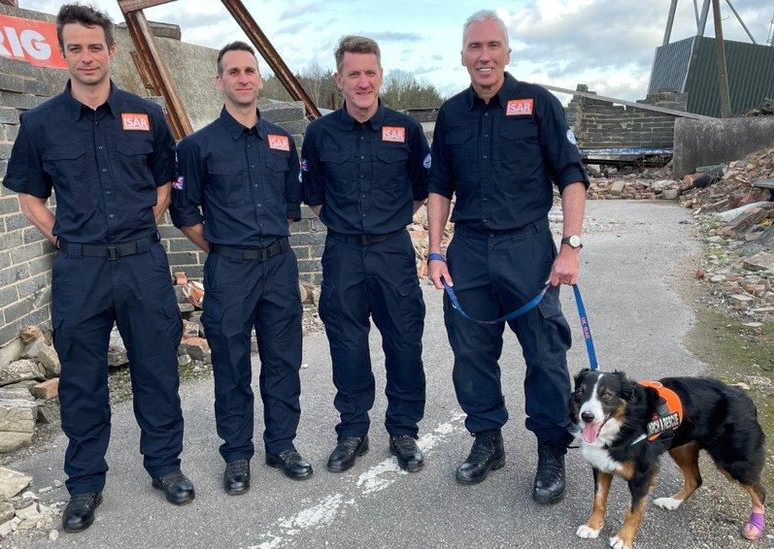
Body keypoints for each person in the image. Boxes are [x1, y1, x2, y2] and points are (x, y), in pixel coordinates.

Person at [2, 4, 194, 533]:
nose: (86, 57)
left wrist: (139, 225)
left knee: (156, 369)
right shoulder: (40, 123)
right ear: (62, 53)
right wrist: (62, 236)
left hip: (141, 264)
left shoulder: (145, 115)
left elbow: (163, 183)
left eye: (95, 47)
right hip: (80, 271)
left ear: (112, 51)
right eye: (75, 48)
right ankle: (85, 484)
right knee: (83, 381)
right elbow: (29, 195)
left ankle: (165, 466)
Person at [426, 10, 589, 504]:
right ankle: (488, 441)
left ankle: (549, 451)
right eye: (475, 47)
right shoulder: (451, 114)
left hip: (528, 246)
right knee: (471, 352)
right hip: (470, 249)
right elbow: (438, 187)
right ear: (462, 57)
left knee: (544, 353)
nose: (484, 55)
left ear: (507, 53)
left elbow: (572, 177)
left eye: (493, 46)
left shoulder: (539, 103)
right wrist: (435, 251)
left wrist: (571, 246)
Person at [170, 41, 312, 496]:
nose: (243, 78)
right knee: (231, 363)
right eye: (233, 72)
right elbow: (185, 213)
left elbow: (292, 204)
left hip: (278, 266)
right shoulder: (197, 146)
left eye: (250, 70)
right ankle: (236, 455)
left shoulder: (281, 140)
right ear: (220, 82)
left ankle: (282, 444)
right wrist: (223, 246)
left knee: (283, 359)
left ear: (260, 79)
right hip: (229, 270)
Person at [301, 36, 429, 473]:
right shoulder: (319, 134)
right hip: (342, 253)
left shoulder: (406, 129)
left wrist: (388, 222)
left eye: (369, 72)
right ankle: (352, 430)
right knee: (347, 344)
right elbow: (313, 194)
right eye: (353, 73)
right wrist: (347, 225)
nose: (362, 81)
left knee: (404, 341)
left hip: (392, 251)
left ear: (381, 75)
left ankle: (404, 430)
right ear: (339, 79)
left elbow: (420, 190)